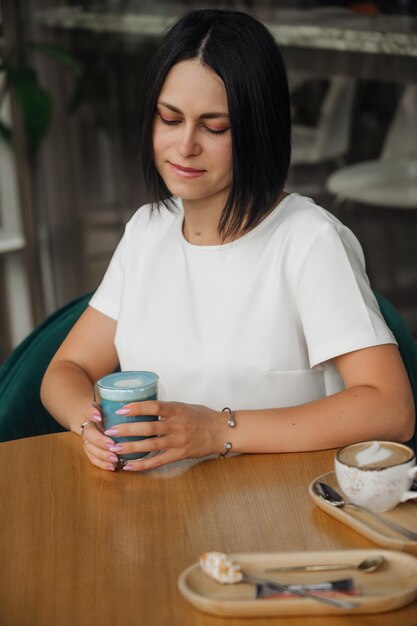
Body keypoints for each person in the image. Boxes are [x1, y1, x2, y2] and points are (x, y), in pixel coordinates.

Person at [41, 9, 414, 472]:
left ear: (260, 130)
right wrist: (89, 423)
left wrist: (217, 431)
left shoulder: (308, 240)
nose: (185, 146)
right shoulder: (147, 230)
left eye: (214, 127)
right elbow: (64, 371)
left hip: (282, 513)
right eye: (170, 119)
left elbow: (391, 409)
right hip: (164, 506)